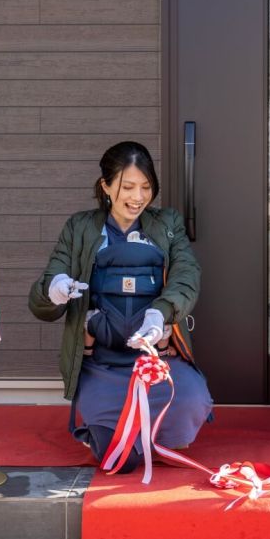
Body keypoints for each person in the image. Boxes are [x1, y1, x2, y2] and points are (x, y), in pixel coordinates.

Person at [29, 141, 213, 472]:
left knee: (191, 401)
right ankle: (118, 435)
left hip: (156, 360)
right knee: (116, 449)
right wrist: (55, 288)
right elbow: (45, 289)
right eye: (128, 187)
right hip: (102, 362)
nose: (138, 197)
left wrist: (162, 311)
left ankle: (156, 435)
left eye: (146, 187)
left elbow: (187, 273)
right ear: (106, 186)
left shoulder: (167, 223)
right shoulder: (81, 227)